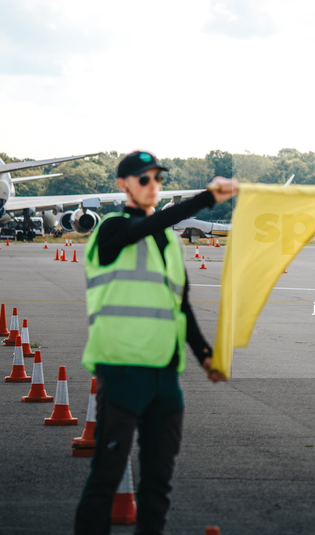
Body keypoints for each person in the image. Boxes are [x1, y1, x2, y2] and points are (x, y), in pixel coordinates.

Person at [74, 151, 237, 535]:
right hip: (122, 367)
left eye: (157, 180)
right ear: (123, 185)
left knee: (159, 483)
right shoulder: (110, 231)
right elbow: (136, 231)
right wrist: (204, 199)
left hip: (165, 374)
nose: (152, 186)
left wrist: (205, 355)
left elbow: (181, 305)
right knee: (106, 477)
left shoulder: (167, 240)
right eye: (143, 179)